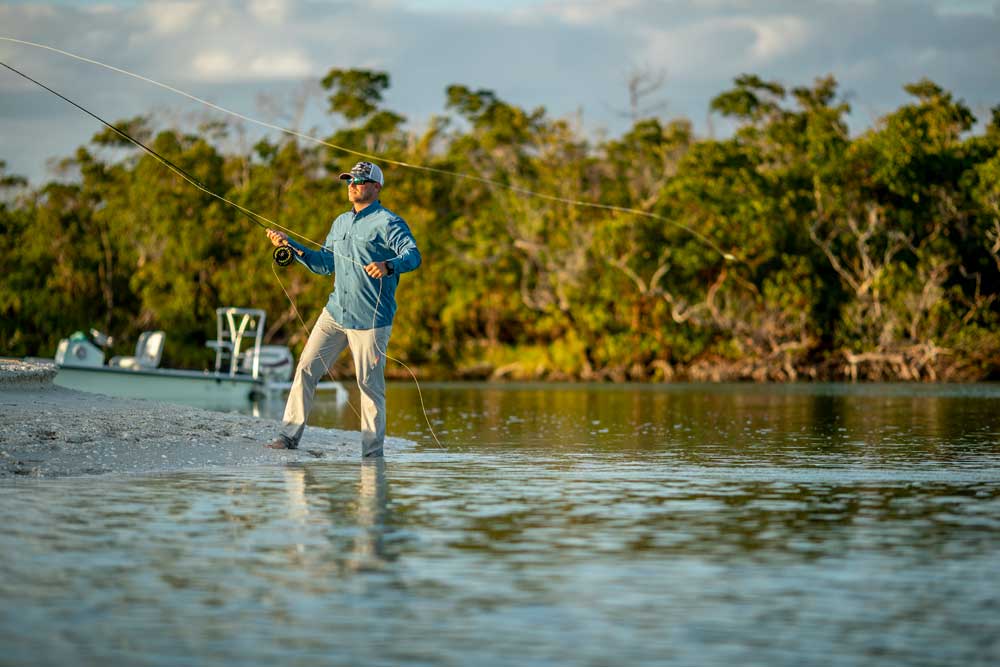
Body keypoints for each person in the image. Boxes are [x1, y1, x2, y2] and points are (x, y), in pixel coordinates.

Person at [265, 161, 421, 457]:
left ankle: (372, 455)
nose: (352, 185)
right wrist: (292, 245)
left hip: (371, 320)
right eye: (349, 180)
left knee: (369, 387)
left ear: (376, 187)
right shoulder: (340, 222)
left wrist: (389, 265)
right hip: (335, 313)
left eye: (360, 181)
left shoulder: (389, 222)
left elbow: (413, 256)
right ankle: (288, 437)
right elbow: (324, 265)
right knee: (306, 369)